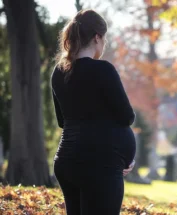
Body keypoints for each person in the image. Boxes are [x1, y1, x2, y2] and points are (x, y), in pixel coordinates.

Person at [51, 9, 136, 215]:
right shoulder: (103, 70)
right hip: (100, 166)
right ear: (97, 37)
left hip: (67, 161)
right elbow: (127, 116)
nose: (104, 43)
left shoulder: (59, 72)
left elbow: (63, 121)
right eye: (104, 38)